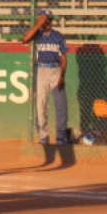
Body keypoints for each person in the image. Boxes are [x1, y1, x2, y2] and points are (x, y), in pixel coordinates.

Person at [22, 10, 69, 145]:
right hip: (41, 69)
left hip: (55, 69)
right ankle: (43, 135)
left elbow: (64, 58)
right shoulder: (37, 34)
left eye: (47, 20)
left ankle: (60, 135)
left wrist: (62, 76)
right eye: (43, 19)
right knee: (40, 104)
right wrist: (38, 24)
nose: (45, 23)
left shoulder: (58, 36)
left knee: (60, 104)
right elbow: (25, 39)